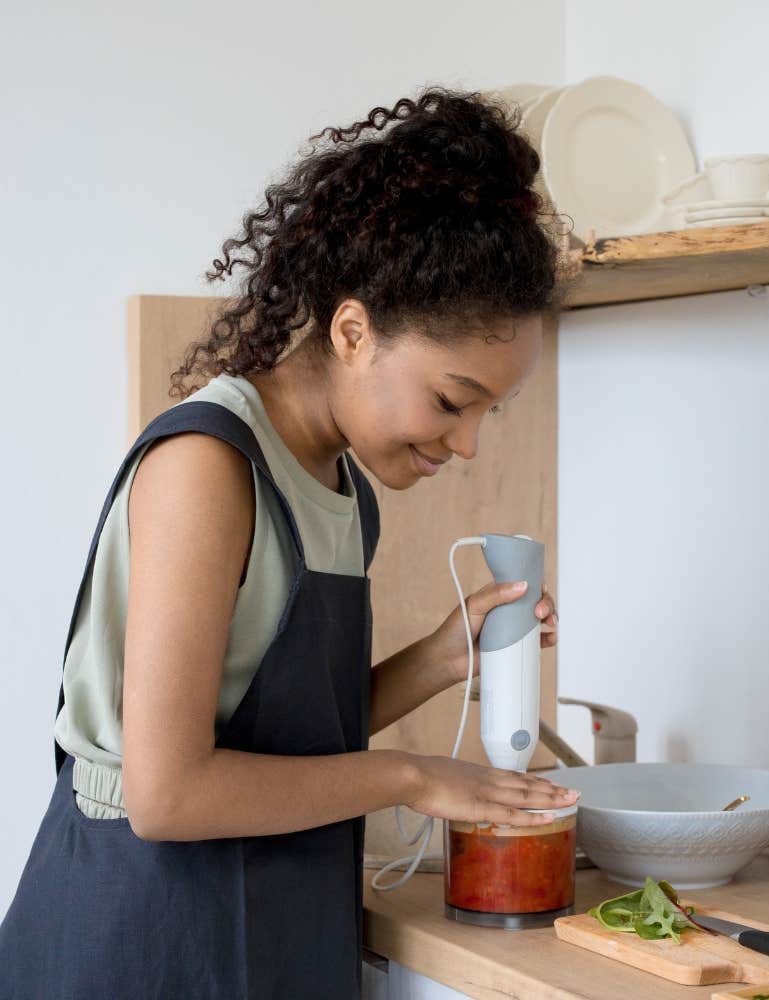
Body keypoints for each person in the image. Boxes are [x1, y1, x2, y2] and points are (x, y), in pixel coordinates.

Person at [0, 85, 578, 999]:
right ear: (353, 331)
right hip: (141, 935)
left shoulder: (345, 489)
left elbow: (285, 739)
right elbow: (168, 793)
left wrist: (440, 657)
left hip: (275, 914)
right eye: (451, 400)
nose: (466, 444)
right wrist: (414, 777)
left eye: (486, 414)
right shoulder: (209, 464)